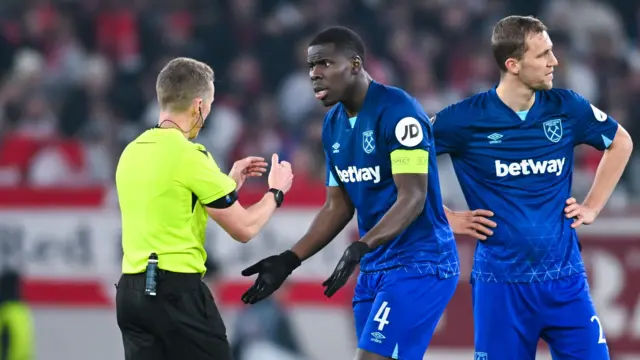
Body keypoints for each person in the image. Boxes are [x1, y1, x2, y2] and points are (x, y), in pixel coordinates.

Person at [240, 27, 459, 360]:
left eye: (325, 63)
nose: (315, 74)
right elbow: (337, 207)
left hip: (421, 263)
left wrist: (362, 245)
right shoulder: (333, 124)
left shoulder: (399, 112)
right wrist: (290, 259)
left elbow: (412, 197)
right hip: (373, 267)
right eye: (311, 66)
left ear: (355, 64)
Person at [433, 16, 633, 360]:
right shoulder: (464, 118)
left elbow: (621, 142)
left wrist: (593, 206)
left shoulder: (566, 106)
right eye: (543, 55)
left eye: (552, 51)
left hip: (565, 281)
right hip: (501, 286)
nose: (554, 61)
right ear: (512, 64)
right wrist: (442, 216)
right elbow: (398, 157)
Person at [114, 57, 294, 360]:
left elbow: (178, 205)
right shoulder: (191, 155)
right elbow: (244, 228)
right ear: (198, 105)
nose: (207, 115)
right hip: (175, 291)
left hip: (132, 293)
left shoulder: (132, 151)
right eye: (208, 105)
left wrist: (227, 183)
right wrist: (275, 192)